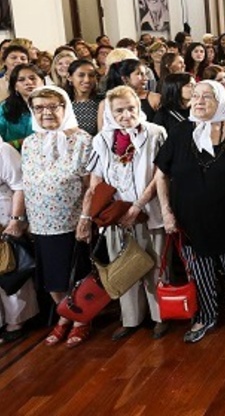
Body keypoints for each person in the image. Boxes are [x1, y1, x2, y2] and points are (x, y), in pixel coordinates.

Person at [155, 80, 225, 344]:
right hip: (190, 217)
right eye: (195, 96)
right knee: (199, 271)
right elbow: (161, 175)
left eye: (207, 97)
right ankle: (206, 315)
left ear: (220, 99)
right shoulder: (179, 131)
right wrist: (166, 212)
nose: (199, 101)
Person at [84, 86, 169, 341]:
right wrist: (94, 213)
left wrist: (138, 206)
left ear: (138, 107)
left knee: (155, 265)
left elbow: (160, 175)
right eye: (119, 110)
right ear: (110, 113)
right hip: (116, 216)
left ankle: (160, 316)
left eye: (131, 108)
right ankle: (131, 319)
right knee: (123, 266)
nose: (126, 115)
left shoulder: (155, 133)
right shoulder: (102, 140)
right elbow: (95, 179)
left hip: (149, 211)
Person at [22, 86, 93, 348]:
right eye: (39, 108)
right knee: (52, 277)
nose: (46, 113)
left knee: (76, 273)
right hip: (41, 222)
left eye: (53, 106)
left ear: (65, 108)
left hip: (72, 220)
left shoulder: (82, 139)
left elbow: (90, 185)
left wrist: (86, 218)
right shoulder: (30, 142)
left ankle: (81, 320)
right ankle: (64, 316)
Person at [0, 134, 38, 343]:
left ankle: (16, 319)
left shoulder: (3, 150)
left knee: (9, 267)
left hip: (4, 212)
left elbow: (19, 186)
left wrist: (15, 220)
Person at [0, 64, 43, 150]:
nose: (28, 83)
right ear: (15, 87)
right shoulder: (6, 107)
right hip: (12, 156)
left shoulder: (56, 105)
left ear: (42, 82)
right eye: (21, 80)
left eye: (32, 78)